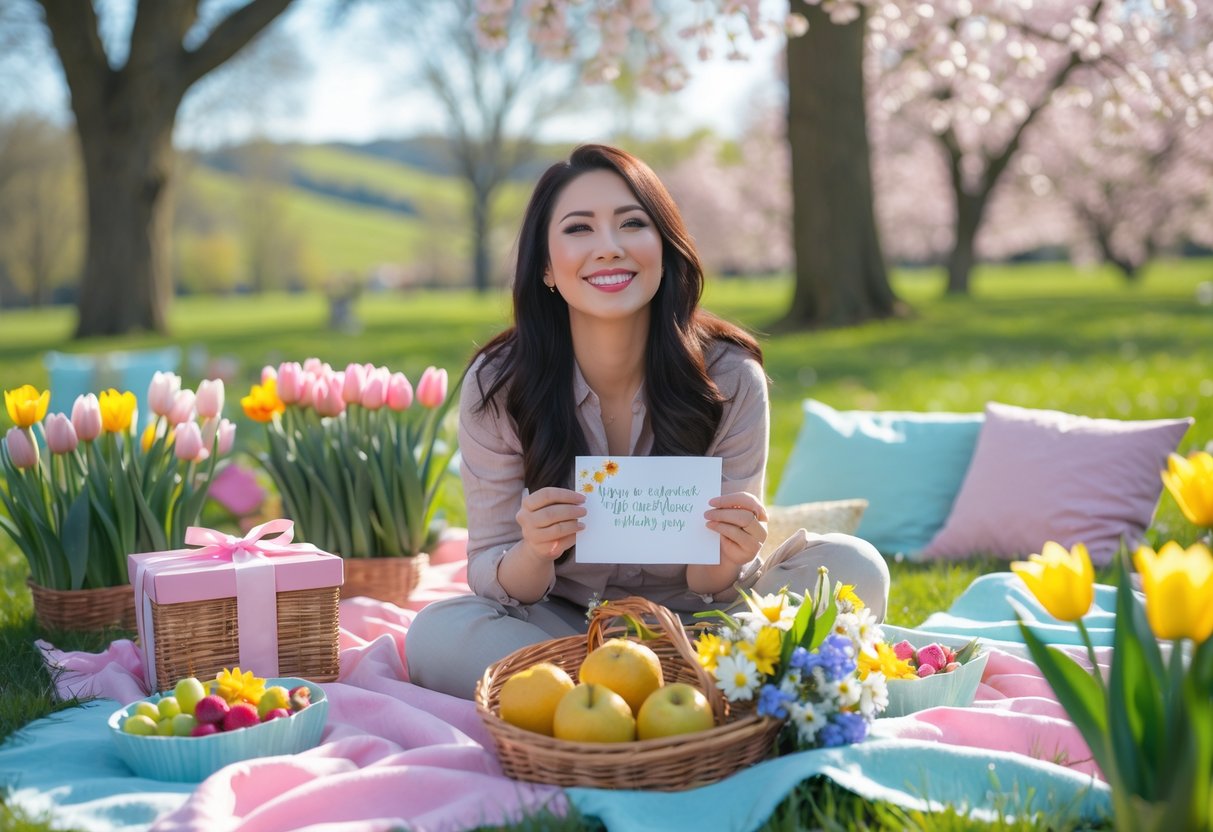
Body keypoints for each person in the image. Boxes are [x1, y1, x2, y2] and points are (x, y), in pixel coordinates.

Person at [406, 145, 889, 699]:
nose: (609, 249)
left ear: (664, 245)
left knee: (855, 567)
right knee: (436, 635)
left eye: (633, 224)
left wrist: (726, 557)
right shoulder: (499, 386)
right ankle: (686, 695)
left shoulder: (728, 377)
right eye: (579, 229)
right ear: (544, 265)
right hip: (562, 629)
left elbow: (713, 585)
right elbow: (492, 572)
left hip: (708, 626)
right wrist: (533, 551)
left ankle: (604, 700)